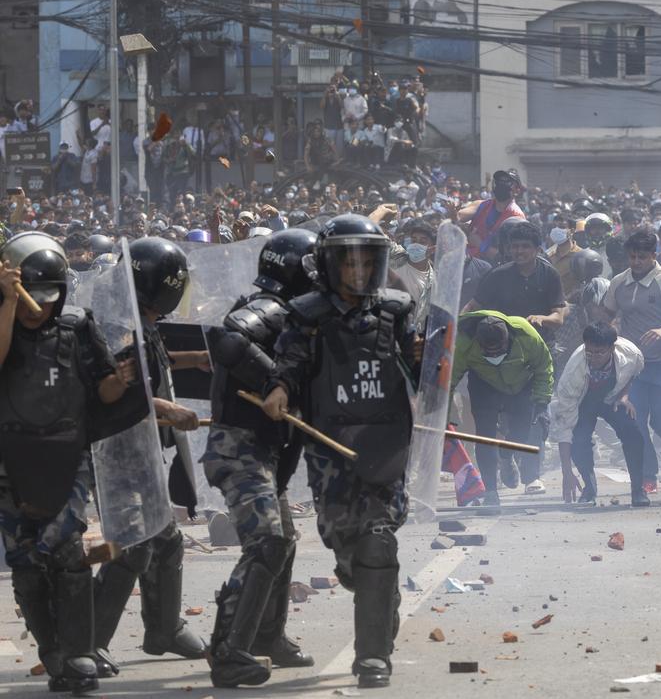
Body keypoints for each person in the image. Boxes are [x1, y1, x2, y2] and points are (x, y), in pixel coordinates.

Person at [262, 214, 421, 689]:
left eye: (367, 262)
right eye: (350, 263)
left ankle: (372, 657)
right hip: (331, 453)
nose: (359, 271)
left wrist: (430, 363)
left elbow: (422, 369)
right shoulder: (307, 316)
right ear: (331, 266)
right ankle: (377, 592)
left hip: (385, 445)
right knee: (348, 550)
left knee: (377, 542)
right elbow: (288, 365)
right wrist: (279, 390)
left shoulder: (396, 310)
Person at [0, 233, 135, 696]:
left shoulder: (77, 328)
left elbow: (104, 390)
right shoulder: (5, 320)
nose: (37, 307)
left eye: (48, 295)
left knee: (67, 550)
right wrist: (7, 302)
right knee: (26, 561)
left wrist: (121, 381)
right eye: (29, 295)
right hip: (10, 461)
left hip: (65, 455)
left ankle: (78, 653)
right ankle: (53, 651)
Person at [202, 230, 318, 687]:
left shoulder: (300, 318)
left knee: (283, 540)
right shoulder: (270, 307)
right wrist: (278, 383)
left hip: (267, 451)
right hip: (240, 447)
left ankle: (268, 636)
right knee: (266, 542)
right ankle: (228, 650)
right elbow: (228, 339)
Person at [94, 238, 209, 678]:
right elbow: (118, 386)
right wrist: (169, 409)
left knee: (166, 539)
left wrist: (195, 359)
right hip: (118, 452)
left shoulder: (142, 321)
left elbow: (154, 364)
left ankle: (164, 629)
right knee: (134, 544)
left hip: (143, 450)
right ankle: (89, 640)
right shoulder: (117, 326)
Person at [602, 229, 661, 492]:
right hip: (634, 364)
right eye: (632, 257)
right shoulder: (619, 282)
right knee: (636, 421)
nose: (636, 262)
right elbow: (606, 313)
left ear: (653, 255)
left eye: (642, 257)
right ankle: (647, 475)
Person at [450, 312, 554, 510]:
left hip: (521, 384)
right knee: (484, 437)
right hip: (484, 385)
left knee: (521, 434)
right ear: (478, 343)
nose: (495, 355)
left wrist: (541, 405)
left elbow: (544, 367)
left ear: (508, 339)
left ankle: (506, 456)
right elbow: (449, 380)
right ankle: (490, 492)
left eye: (499, 350)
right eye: (488, 352)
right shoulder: (463, 344)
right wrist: (445, 416)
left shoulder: (526, 335)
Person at [549, 322, 648, 506]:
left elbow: (634, 373)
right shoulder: (572, 375)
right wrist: (566, 473)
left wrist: (624, 396)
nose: (593, 358)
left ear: (612, 348)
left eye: (599, 353)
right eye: (589, 352)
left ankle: (638, 490)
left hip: (612, 398)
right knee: (579, 440)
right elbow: (564, 428)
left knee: (633, 433)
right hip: (583, 402)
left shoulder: (632, 355)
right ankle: (589, 488)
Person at [462, 169, 526, 261]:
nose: (502, 185)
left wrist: (480, 244)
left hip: (492, 267)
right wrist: (454, 218)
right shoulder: (481, 205)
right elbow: (459, 216)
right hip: (468, 260)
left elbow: (508, 258)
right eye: (499, 181)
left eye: (507, 182)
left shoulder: (516, 218)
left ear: (517, 190)